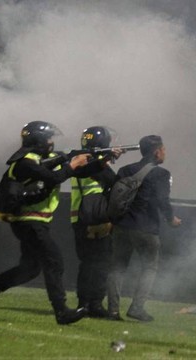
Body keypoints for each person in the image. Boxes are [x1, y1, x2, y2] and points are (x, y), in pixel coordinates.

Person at [0, 121, 90, 325]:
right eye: (49, 138)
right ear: (39, 141)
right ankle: (61, 311)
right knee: (54, 262)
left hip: (32, 221)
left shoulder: (36, 160)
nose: (52, 143)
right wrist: (72, 164)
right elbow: (53, 177)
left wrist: (99, 160)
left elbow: (65, 170)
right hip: (29, 221)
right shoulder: (26, 162)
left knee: (30, 269)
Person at [107, 135, 181, 322]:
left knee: (118, 267)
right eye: (164, 149)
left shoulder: (125, 170)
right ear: (157, 152)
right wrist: (171, 219)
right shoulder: (161, 174)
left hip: (122, 225)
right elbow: (163, 200)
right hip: (146, 227)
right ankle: (137, 308)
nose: (165, 153)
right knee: (149, 268)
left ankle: (113, 310)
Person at [69, 126, 123, 319]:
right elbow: (114, 181)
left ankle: (88, 303)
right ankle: (91, 303)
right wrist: (108, 158)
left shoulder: (82, 160)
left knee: (91, 264)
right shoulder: (91, 162)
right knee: (98, 263)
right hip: (93, 219)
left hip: (82, 218)